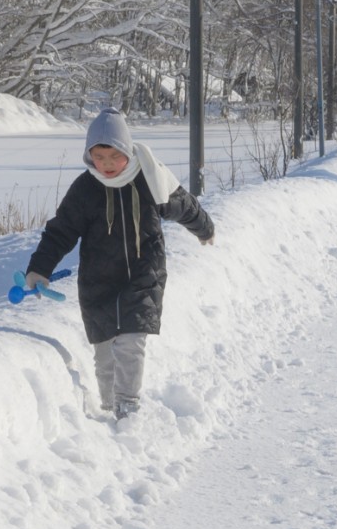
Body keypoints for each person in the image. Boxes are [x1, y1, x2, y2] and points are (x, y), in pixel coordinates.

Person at [25, 110, 214, 421]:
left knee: (130, 342)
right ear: (89, 156)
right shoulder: (85, 189)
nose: (107, 164)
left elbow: (183, 204)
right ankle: (109, 405)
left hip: (144, 275)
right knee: (104, 350)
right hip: (97, 281)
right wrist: (39, 268)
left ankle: (127, 406)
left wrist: (204, 228)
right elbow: (61, 232)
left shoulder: (150, 179)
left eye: (114, 155)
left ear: (127, 150)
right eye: (99, 156)